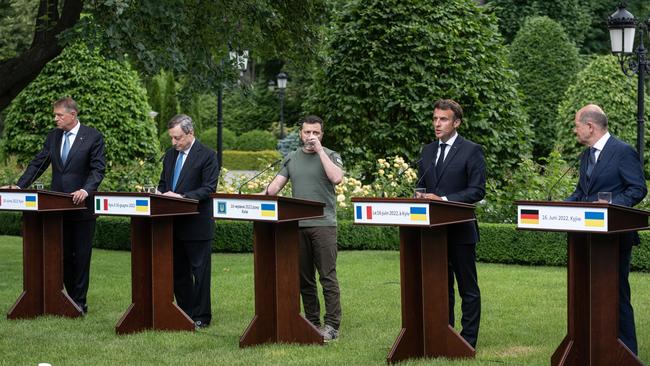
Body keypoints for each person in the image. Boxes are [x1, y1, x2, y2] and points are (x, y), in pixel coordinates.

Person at [566, 104, 646, 355]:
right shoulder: (586, 155)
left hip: (614, 237)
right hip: (586, 236)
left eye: (576, 125)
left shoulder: (622, 152)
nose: (574, 130)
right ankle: (591, 347)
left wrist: (611, 205)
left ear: (590, 126)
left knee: (616, 294)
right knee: (586, 293)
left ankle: (627, 353)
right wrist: (557, 207)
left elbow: (637, 189)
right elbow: (582, 193)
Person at [13, 97, 106, 314]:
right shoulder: (53, 137)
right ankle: (62, 298)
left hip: (82, 207)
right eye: (55, 115)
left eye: (59, 115)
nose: (55, 119)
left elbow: (97, 169)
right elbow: (39, 163)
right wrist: (19, 187)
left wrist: (86, 189)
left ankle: (79, 302)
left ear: (72, 115)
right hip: (56, 208)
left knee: (81, 256)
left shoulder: (93, 137)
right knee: (61, 255)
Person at [264, 115, 344, 342]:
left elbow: (337, 178)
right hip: (297, 227)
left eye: (316, 133)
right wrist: (254, 199)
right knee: (304, 278)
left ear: (322, 134)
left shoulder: (330, 155)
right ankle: (311, 321)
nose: (311, 137)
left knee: (327, 276)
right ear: (300, 133)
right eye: (307, 132)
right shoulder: (291, 158)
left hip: (324, 225)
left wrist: (320, 151)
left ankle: (332, 325)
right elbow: (274, 189)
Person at [416, 99, 486, 348]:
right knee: (440, 285)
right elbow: (422, 185)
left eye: (443, 119)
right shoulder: (426, 151)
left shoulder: (472, 150)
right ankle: (443, 332)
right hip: (433, 232)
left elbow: (477, 190)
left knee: (468, 287)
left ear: (456, 122)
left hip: (461, 229)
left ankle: (467, 341)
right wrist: (420, 195)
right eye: (435, 118)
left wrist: (443, 200)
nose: (437, 124)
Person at [157, 114, 219, 329]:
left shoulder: (208, 155)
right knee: (178, 272)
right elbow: (163, 183)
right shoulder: (170, 155)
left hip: (197, 224)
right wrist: (159, 194)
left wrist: (182, 197)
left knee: (199, 273)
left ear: (190, 133)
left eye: (178, 138)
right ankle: (185, 311)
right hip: (172, 223)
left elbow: (209, 188)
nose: (174, 143)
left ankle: (202, 316)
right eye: (172, 138)